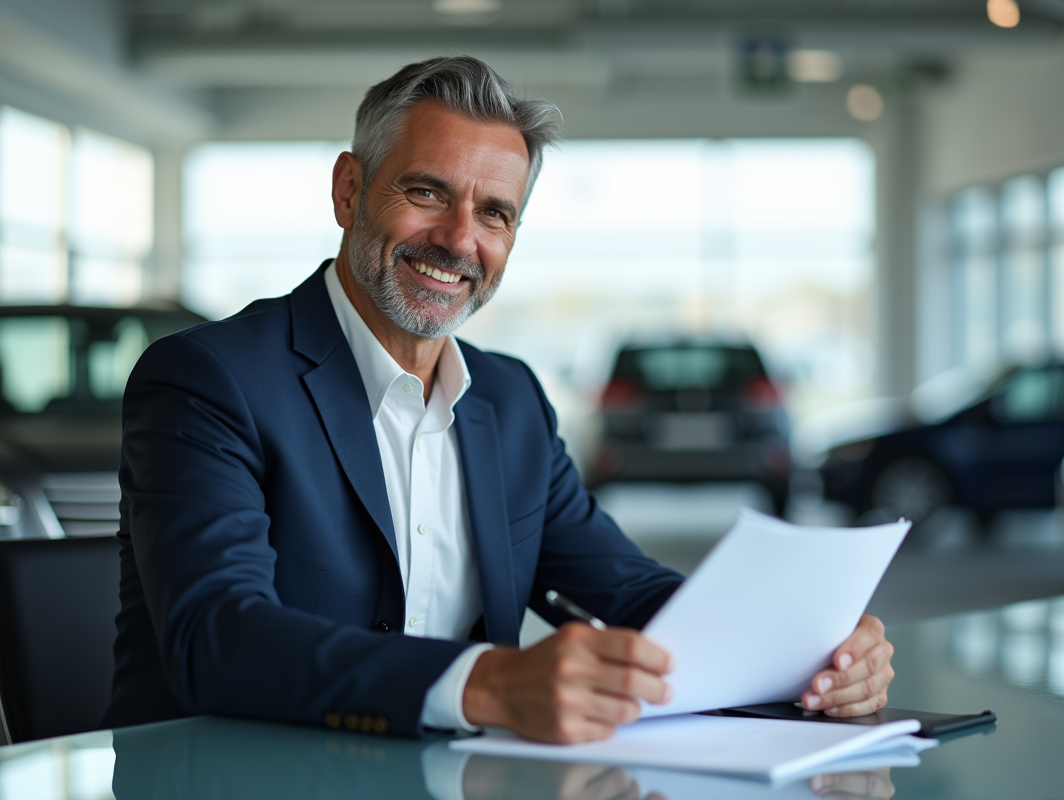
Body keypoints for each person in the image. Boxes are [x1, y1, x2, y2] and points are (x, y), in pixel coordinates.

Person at [103, 55, 894, 743]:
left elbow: (625, 589)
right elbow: (217, 637)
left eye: (494, 213)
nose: (458, 240)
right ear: (350, 190)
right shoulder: (209, 378)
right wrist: (485, 685)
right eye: (426, 191)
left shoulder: (509, 400)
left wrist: (804, 650)